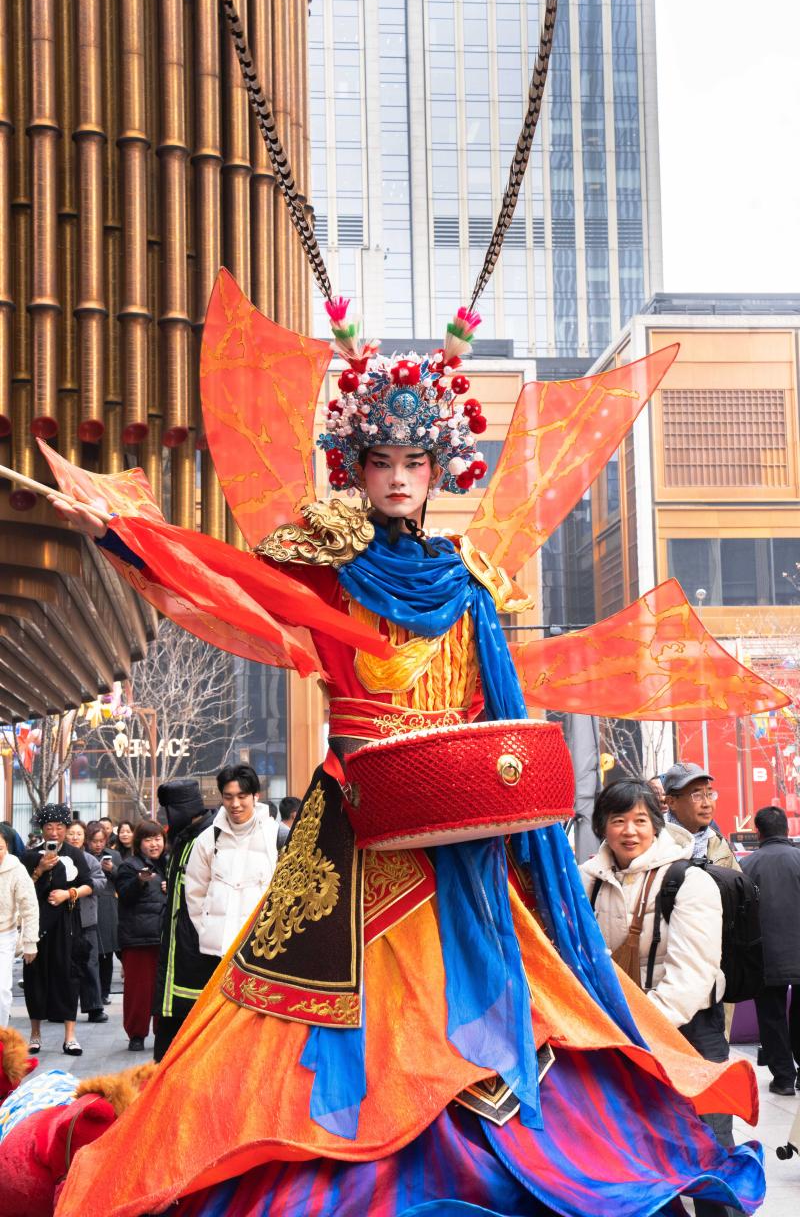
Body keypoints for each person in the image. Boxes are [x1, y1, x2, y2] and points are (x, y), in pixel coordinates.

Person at [55, 400, 765, 1216]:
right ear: (357, 470)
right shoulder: (327, 564)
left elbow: (488, 708)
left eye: (414, 463)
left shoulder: (467, 581)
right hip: (356, 820)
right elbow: (230, 585)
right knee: (302, 1002)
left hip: (457, 824)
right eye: (381, 462)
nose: (398, 478)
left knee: (496, 981)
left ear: (438, 472)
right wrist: (124, 535)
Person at [580, 778, 736, 1198]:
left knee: (709, 1150)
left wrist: (643, 1027)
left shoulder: (688, 881)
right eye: (618, 820)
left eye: (640, 820)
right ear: (602, 826)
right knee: (634, 1151)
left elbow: (692, 975)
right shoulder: (586, 881)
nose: (629, 831)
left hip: (689, 1033)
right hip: (620, 1035)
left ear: (656, 824)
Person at [184, 764, 278, 963]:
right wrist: (207, 930)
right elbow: (195, 892)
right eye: (228, 797)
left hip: (262, 951)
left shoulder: (276, 836)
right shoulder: (208, 839)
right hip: (217, 952)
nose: (235, 804)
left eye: (242, 796)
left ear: (256, 796)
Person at [152, 779, 216, 1062]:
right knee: (169, 1030)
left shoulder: (208, 839)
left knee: (190, 1028)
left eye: (167, 812)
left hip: (196, 952)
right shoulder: (185, 838)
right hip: (174, 948)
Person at [21, 804, 92, 1056]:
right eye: (49, 827)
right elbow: (22, 888)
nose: (54, 832)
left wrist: (68, 893)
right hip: (37, 925)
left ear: (66, 829)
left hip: (67, 924)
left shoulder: (75, 854)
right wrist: (40, 869)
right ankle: (35, 1034)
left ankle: (70, 1037)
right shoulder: (29, 856)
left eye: (59, 827)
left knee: (68, 976)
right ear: (42, 829)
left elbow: (89, 885)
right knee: (35, 977)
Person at [742, 805, 800, 1096]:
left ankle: (784, 1078)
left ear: (758, 832)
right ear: (786, 830)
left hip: (765, 956)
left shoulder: (746, 866)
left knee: (771, 1015)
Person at [116, 821, 168, 1052]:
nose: (154, 844)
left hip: (164, 936)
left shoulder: (170, 863)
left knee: (162, 989)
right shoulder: (129, 866)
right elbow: (124, 895)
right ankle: (136, 1034)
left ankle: (162, 1031)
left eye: (157, 839)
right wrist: (140, 882)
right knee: (138, 990)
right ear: (139, 843)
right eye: (148, 839)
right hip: (138, 938)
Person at [65, 821, 108, 1025]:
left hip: (86, 918)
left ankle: (94, 1007)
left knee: (90, 963)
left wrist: (84, 887)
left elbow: (100, 882)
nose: (75, 837)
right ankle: (62, 1008)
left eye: (79, 834)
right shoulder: (56, 858)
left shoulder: (90, 860)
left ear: (85, 838)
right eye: (71, 833)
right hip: (62, 919)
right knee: (63, 964)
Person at [662, 762, 740, 869]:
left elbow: (737, 878)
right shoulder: (655, 842)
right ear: (671, 802)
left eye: (710, 794)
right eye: (697, 795)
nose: (707, 804)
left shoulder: (718, 844)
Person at [0, 830, 38, 1027]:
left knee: (2, 990)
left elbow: (29, 906)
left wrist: (30, 942)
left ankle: (1, 1033)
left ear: (7, 846)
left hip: (4, 936)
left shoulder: (16, 868)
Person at [85, 821, 119, 1006]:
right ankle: (92, 993)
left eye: (101, 841)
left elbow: (123, 877)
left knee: (107, 951)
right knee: (92, 952)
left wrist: (112, 869)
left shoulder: (114, 855)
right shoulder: (83, 856)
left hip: (108, 904)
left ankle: (104, 992)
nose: (98, 845)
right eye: (94, 841)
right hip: (89, 903)